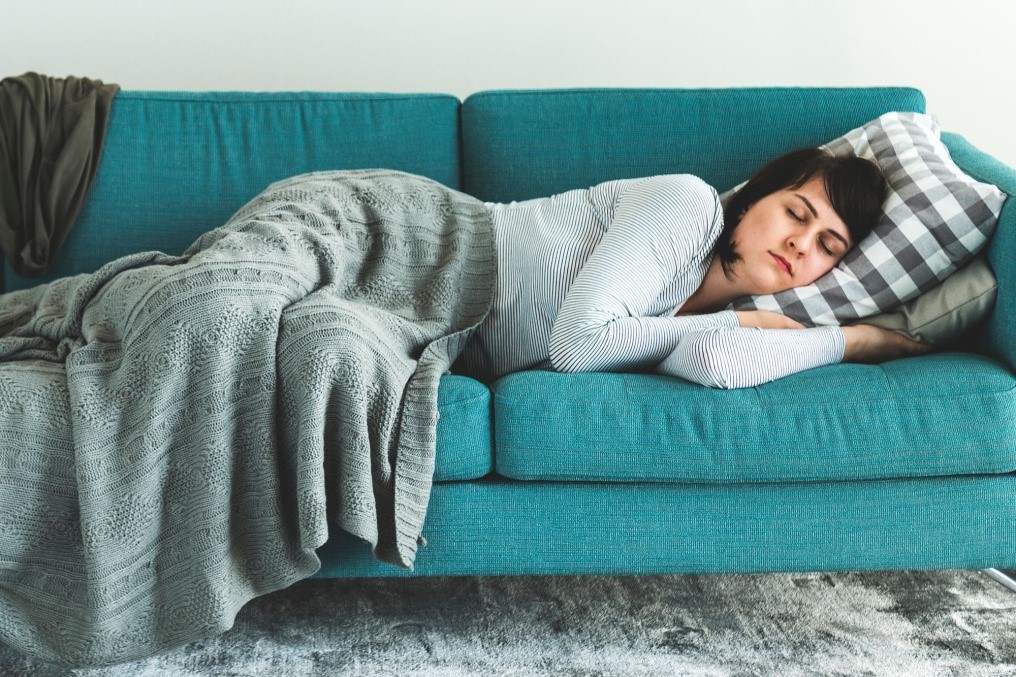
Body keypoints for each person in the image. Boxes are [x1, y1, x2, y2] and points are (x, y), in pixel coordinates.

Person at [453, 148, 936, 388]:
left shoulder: (719, 318)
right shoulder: (690, 206)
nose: (800, 244)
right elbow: (577, 346)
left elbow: (712, 362)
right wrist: (743, 322)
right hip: (436, 247)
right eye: (796, 213)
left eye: (828, 246)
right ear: (750, 203)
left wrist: (850, 342)